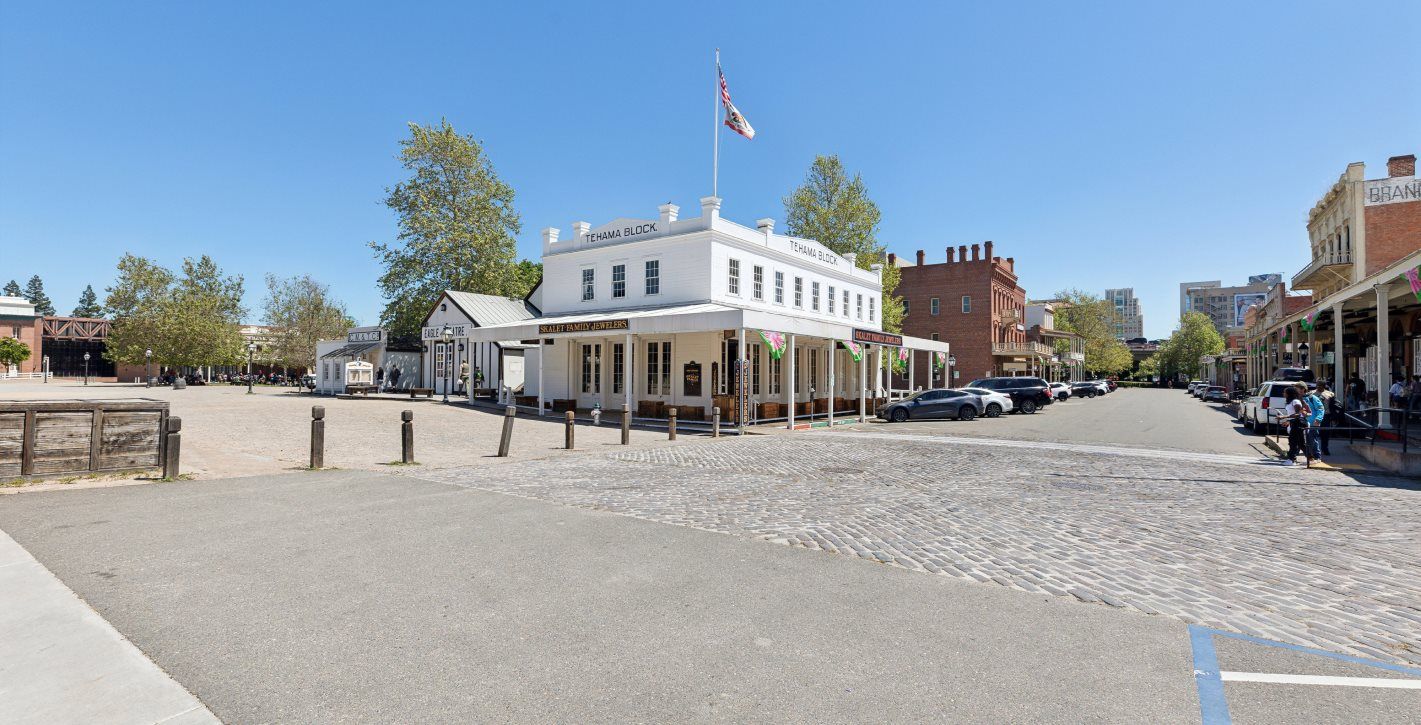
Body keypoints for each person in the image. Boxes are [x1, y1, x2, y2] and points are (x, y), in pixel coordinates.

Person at [1279, 386, 1308, 466]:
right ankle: (1310, 458)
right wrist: (1288, 421)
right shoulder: (1290, 402)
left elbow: (1298, 414)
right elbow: (1292, 414)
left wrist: (1284, 417)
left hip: (1298, 422)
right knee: (1300, 442)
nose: (1283, 393)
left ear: (1289, 393)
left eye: (1285, 392)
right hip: (1294, 422)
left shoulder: (1295, 401)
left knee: (1293, 441)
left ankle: (1291, 459)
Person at [1302, 383, 1325, 464]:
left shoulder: (1312, 398)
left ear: (1303, 389)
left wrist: (1318, 419)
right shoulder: (1298, 398)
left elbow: (1321, 409)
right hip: (1302, 423)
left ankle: (1317, 457)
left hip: (1312, 423)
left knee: (1312, 440)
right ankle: (1309, 458)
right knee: (1302, 441)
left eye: (1297, 388)